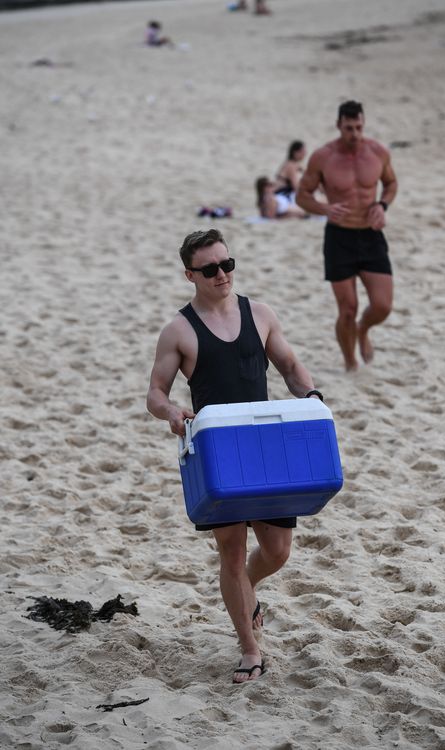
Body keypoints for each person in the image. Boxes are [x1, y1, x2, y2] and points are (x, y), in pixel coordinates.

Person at [146, 228, 322, 684]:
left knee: (278, 551)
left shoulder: (260, 314)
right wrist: (171, 412)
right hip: (218, 450)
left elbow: (288, 366)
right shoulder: (179, 329)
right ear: (190, 274)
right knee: (230, 552)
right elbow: (155, 393)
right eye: (210, 269)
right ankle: (249, 648)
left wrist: (312, 396)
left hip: (266, 445)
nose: (222, 274)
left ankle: (246, 586)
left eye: (227, 264)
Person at [296, 100, 398, 371]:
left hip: (371, 236)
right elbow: (301, 195)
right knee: (347, 308)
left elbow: (390, 183)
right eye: (349, 128)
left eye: (359, 127)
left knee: (382, 306)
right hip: (339, 238)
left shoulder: (378, 152)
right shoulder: (323, 157)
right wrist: (324, 208)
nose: (354, 133)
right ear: (339, 125)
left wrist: (382, 205)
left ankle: (363, 329)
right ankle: (350, 362)